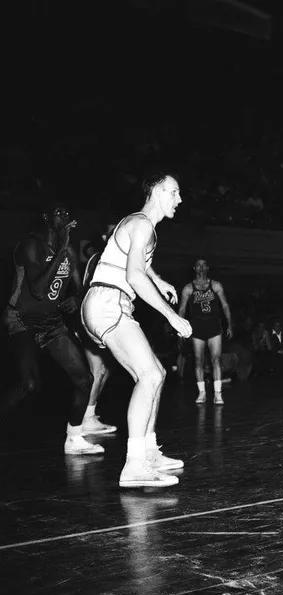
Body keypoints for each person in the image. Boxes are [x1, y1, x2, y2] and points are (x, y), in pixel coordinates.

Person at [81, 172, 192, 488]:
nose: (179, 199)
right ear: (157, 191)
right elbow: (134, 276)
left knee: (156, 372)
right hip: (108, 302)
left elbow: (138, 262)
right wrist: (171, 315)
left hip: (106, 303)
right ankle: (134, 466)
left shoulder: (139, 224)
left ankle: (148, 452)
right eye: (174, 191)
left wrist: (157, 280)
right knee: (150, 376)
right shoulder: (143, 223)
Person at [1, 204, 103, 455]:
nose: (65, 216)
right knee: (29, 384)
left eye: (68, 213)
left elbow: (80, 286)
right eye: (59, 213)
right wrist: (61, 250)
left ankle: (74, 438)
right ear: (46, 218)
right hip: (21, 319)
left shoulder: (67, 252)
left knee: (84, 379)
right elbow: (37, 289)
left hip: (51, 322)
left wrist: (77, 298)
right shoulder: (30, 245)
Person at [78, 223, 119, 435]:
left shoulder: (115, 259)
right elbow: (88, 291)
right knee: (98, 370)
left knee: (106, 370)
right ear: (105, 237)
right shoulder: (100, 259)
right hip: (93, 318)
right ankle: (84, 420)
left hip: (104, 317)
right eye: (112, 232)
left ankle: (89, 415)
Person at [177, 259, 233, 405]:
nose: (201, 267)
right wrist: (179, 327)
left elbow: (225, 305)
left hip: (214, 326)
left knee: (216, 359)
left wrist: (229, 325)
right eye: (198, 265)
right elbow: (182, 308)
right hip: (197, 327)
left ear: (207, 267)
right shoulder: (188, 288)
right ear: (194, 268)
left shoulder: (215, 285)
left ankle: (218, 394)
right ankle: (202, 393)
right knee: (198, 360)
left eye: (204, 264)